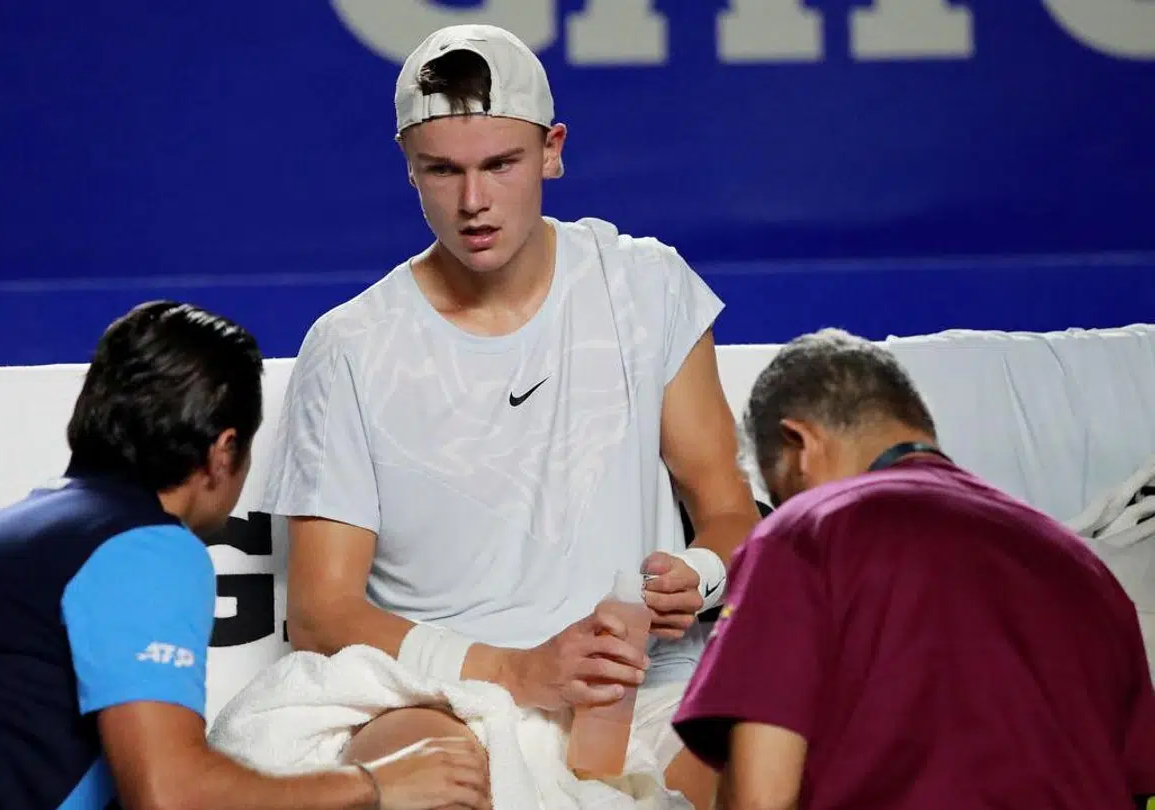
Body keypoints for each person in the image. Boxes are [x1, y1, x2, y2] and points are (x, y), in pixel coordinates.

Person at [248, 23, 762, 807]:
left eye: (501, 164)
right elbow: (322, 614)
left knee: (788, 756)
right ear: (409, 170)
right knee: (434, 776)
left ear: (553, 150)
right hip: (437, 695)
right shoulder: (352, 344)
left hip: (641, 692)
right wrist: (516, 671)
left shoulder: (647, 287)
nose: (473, 201)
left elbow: (726, 507)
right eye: (442, 171)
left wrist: (698, 574)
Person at [0, 301, 490, 810]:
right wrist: (376, 788)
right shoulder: (146, 549)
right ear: (222, 453)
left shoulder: (26, 529)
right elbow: (172, 797)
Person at [671, 328, 1155, 810]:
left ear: (801, 445)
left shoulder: (801, 532)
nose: (788, 505)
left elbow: (762, 797)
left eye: (781, 493)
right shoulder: (1082, 565)